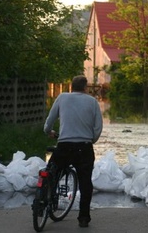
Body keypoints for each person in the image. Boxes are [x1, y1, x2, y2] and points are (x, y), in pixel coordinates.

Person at [43, 75, 103, 228]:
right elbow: (98, 128)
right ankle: (83, 218)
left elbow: (49, 120)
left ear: (71, 87)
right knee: (85, 183)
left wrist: (48, 131)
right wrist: (91, 140)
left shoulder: (62, 98)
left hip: (64, 146)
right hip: (84, 148)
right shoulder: (93, 102)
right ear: (85, 87)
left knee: (51, 173)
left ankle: (42, 203)